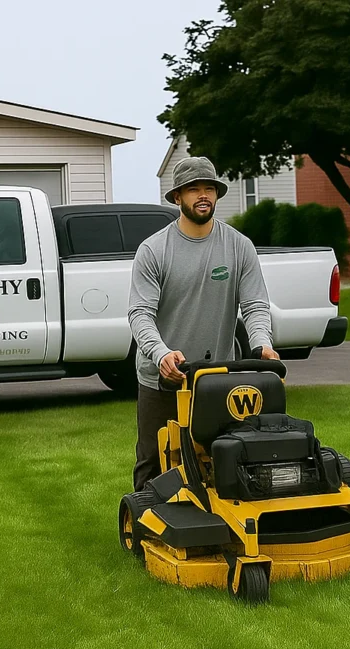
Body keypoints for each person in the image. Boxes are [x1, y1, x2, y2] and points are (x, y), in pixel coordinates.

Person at [128, 156, 279, 492]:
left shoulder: (238, 246)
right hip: (164, 378)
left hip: (217, 377)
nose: (203, 195)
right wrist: (161, 354)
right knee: (155, 460)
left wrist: (262, 344)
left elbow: (255, 305)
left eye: (209, 188)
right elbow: (140, 314)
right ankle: (144, 520)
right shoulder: (154, 250)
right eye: (193, 189)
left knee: (222, 458)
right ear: (177, 197)